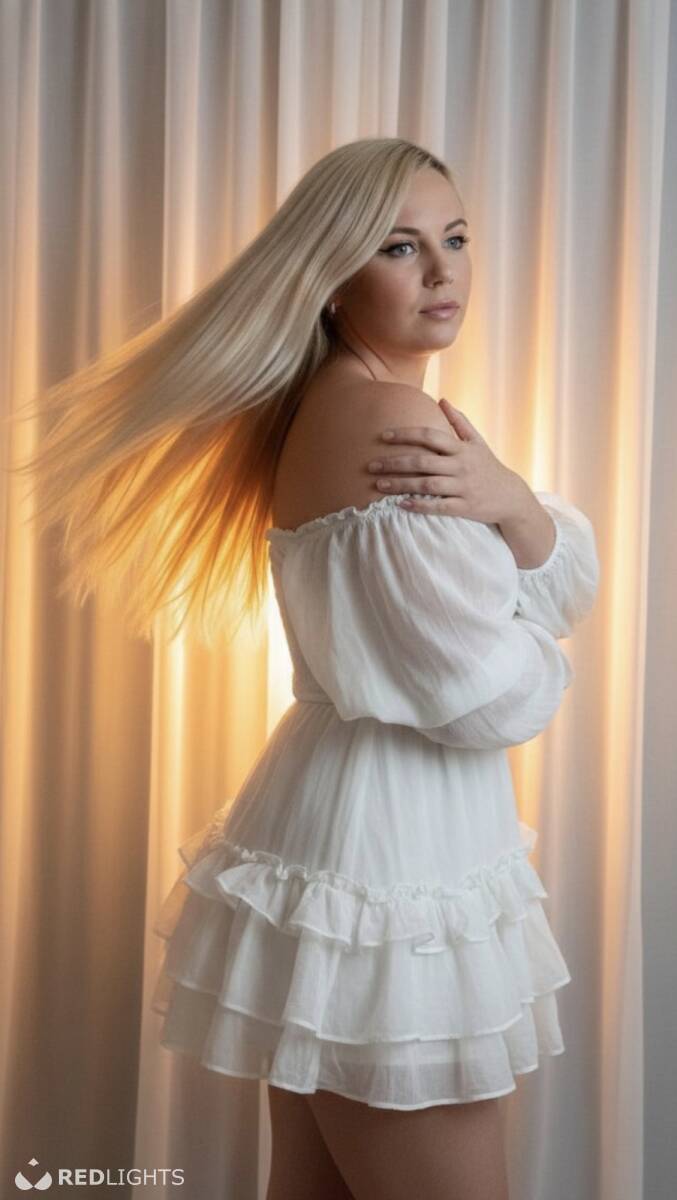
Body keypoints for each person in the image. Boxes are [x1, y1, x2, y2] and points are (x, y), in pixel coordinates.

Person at [7, 138, 600, 1199]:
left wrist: (510, 501)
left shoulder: (347, 402)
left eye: (455, 238)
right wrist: (527, 608)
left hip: (356, 837)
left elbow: (545, 600)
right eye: (398, 246)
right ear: (332, 276)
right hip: (392, 860)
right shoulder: (386, 419)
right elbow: (486, 697)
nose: (443, 271)